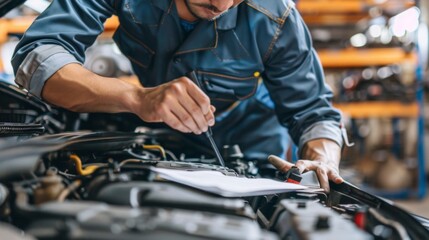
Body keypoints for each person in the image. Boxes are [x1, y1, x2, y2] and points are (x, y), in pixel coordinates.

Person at [12, 0, 345, 192]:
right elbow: (38, 57)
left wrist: (322, 160)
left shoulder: (277, 17)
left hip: (252, 140)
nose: (222, 4)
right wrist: (135, 98)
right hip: (160, 130)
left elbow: (314, 113)